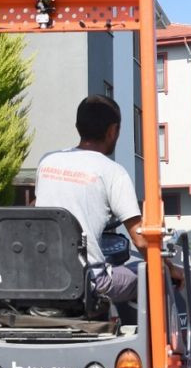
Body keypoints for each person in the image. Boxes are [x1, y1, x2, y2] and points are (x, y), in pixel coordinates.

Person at [34, 95, 148, 304]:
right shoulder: (113, 172)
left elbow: (36, 209)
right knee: (156, 273)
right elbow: (140, 239)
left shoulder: (47, 162)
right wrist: (170, 267)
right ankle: (164, 337)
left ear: (78, 127)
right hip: (90, 283)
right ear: (113, 131)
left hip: (40, 278)